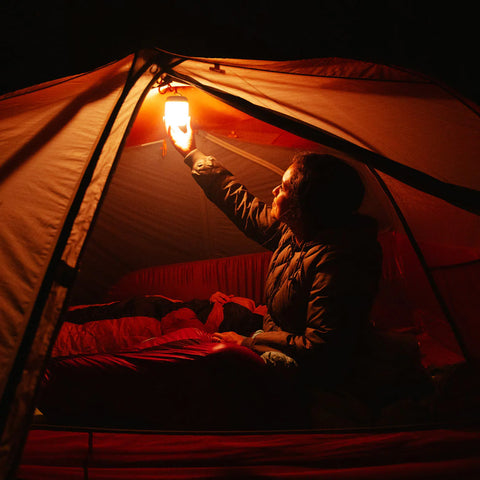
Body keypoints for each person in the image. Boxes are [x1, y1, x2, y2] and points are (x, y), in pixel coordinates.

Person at [168, 123, 383, 391]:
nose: (273, 192)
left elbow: (322, 347)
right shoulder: (296, 232)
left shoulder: (339, 260)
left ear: (301, 205)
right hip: (274, 336)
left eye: (282, 188)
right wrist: (191, 153)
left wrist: (248, 342)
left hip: (313, 372)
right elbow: (241, 206)